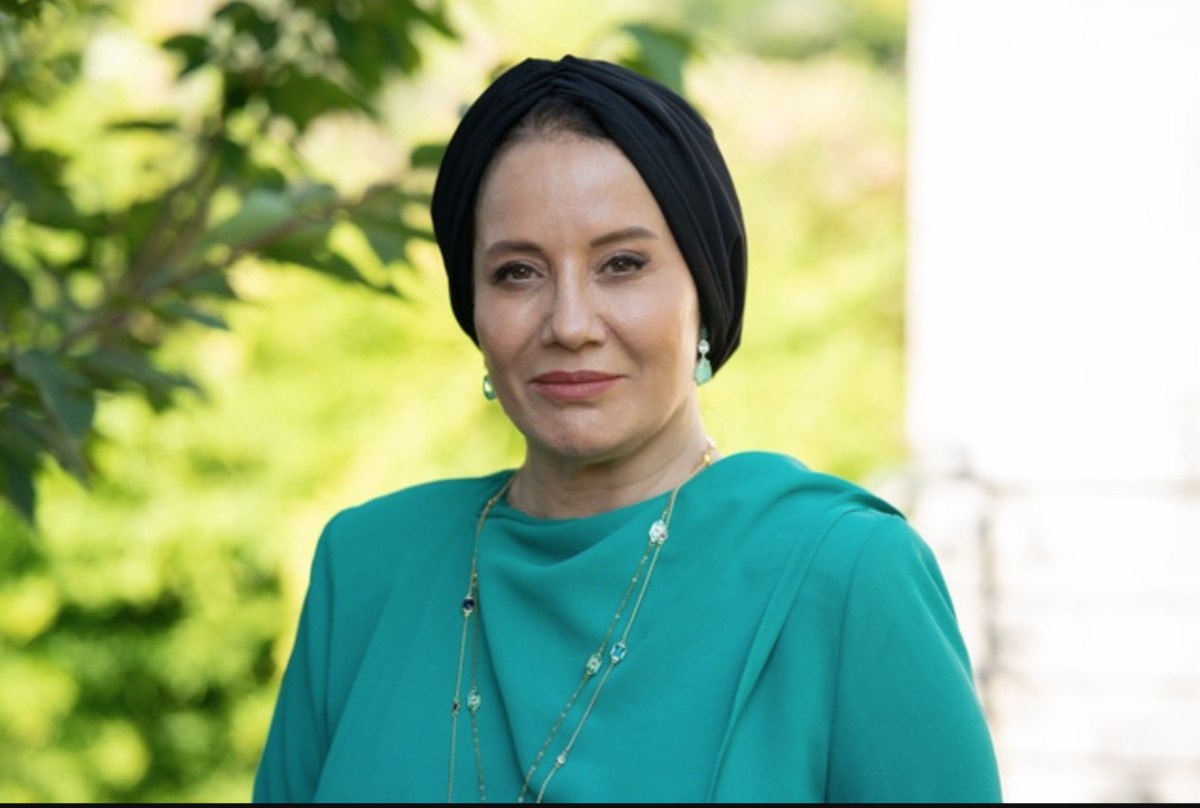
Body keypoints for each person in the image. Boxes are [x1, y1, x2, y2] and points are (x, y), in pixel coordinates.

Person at [252, 54, 1003, 803]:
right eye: (518, 272)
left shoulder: (846, 575)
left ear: (705, 290)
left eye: (621, 263)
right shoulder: (366, 566)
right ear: (472, 306)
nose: (570, 323)